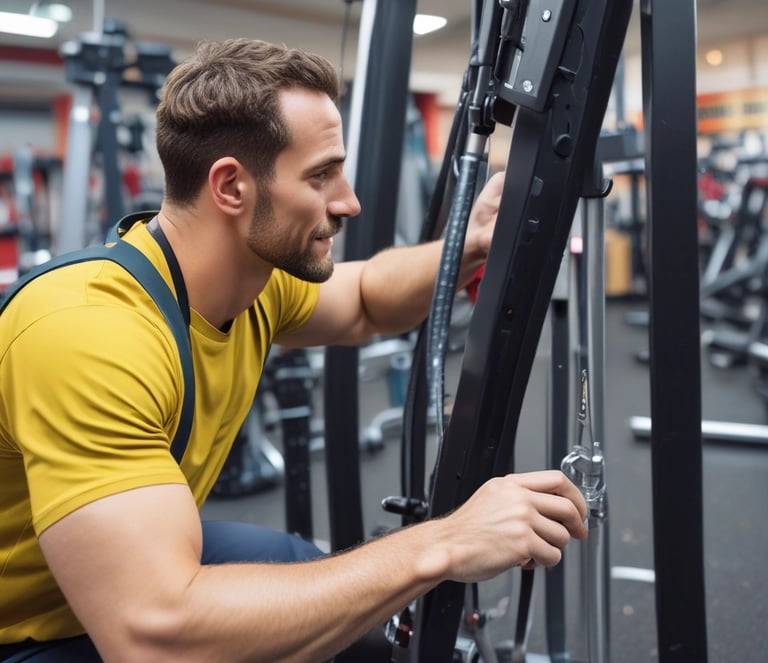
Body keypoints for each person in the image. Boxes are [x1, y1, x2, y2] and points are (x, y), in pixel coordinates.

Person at [0, 38, 588, 663]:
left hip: (109, 586)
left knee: (334, 605)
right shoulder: (90, 335)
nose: (348, 201)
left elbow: (364, 298)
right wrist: (440, 544)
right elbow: (154, 637)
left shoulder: (254, 280)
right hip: (31, 628)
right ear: (231, 187)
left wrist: (467, 243)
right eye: (321, 175)